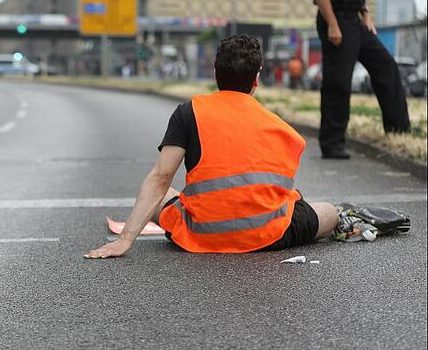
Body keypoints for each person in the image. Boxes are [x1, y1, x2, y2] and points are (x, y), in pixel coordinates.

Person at [85, 35, 339, 258]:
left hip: (201, 234)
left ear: (216, 73)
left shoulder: (189, 112)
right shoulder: (281, 127)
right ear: (257, 79)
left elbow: (159, 179)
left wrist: (125, 239)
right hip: (266, 236)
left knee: (165, 194)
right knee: (328, 211)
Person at [313, 0, 410, 159]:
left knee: (386, 67)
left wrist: (365, 15)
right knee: (338, 82)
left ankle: (399, 129)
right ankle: (332, 143)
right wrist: (332, 25)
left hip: (355, 21)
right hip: (337, 20)